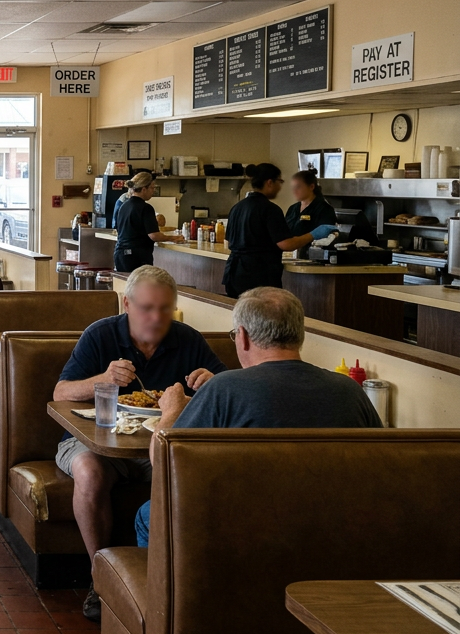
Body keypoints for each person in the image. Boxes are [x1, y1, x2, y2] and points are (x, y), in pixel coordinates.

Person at [134, 287, 382, 546]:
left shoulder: (224, 388)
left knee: (146, 514)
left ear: (242, 337)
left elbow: (163, 463)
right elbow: (380, 468)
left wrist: (172, 411)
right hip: (334, 532)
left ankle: (164, 588)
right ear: (300, 335)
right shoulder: (349, 390)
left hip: (243, 532)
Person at [52, 266, 226, 622]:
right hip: (95, 443)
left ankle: (175, 583)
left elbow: (225, 394)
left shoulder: (188, 340)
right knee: (89, 471)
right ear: (127, 304)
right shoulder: (100, 336)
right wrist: (102, 380)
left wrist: (214, 383)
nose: (156, 317)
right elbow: (60, 393)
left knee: (199, 471)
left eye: (165, 309)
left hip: (157, 447)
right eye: (147, 308)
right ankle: (100, 576)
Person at [222, 163, 338, 298]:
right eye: (280, 182)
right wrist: (313, 235)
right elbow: (286, 244)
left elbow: (229, 242)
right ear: (270, 182)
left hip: (234, 273)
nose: (280, 187)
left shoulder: (237, 207)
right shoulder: (270, 209)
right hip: (258, 277)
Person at [113, 172, 183, 272]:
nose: (153, 191)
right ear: (144, 189)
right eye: (152, 188)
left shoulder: (124, 206)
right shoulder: (146, 208)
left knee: (125, 286)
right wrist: (173, 238)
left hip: (120, 254)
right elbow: (154, 235)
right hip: (136, 257)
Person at [283, 168, 337, 238]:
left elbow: (325, 238)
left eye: (298, 187)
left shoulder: (325, 210)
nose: (294, 191)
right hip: (290, 248)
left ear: (311, 187)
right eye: (293, 187)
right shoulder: (292, 208)